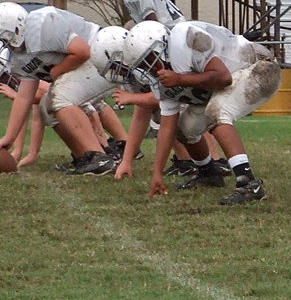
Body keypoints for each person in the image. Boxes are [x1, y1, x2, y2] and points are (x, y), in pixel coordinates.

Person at [120, 20, 281, 205]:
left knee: (218, 112)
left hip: (259, 66)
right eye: (143, 64)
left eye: (149, 58)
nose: (149, 68)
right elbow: (167, 127)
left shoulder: (187, 38)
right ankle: (208, 173)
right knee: (183, 129)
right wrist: (157, 173)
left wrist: (180, 78)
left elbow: (223, 77)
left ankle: (249, 184)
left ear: (161, 45)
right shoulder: (160, 73)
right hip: (226, 81)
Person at [0, 2, 117, 175]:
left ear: (16, 30)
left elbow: (82, 51)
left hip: (103, 56)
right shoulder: (18, 58)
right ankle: (84, 156)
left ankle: (100, 157)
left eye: (4, 39)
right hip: (88, 63)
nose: (5, 45)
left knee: (60, 97)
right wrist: (9, 137)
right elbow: (24, 97)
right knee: (46, 108)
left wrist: (56, 72)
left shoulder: (42, 24)